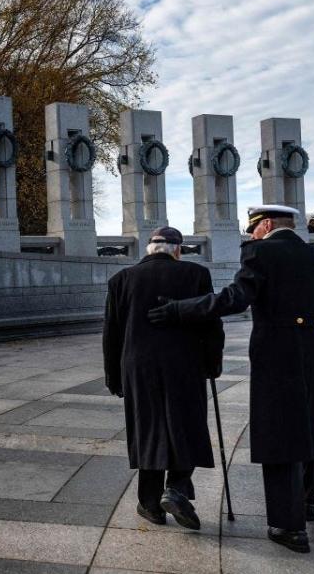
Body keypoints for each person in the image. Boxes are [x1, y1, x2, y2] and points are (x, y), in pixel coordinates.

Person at [148, 205, 314, 554]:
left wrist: (182, 309)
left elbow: (235, 298)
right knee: (312, 428)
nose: (250, 234)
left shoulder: (261, 251)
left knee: (283, 434)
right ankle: (308, 500)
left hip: (278, 358)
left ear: (266, 225)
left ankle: (289, 526)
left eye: (252, 228)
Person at [103, 226, 224, 531]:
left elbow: (111, 334)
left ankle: (150, 504)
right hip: (185, 364)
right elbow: (211, 325)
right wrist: (213, 364)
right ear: (178, 250)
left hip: (138, 367)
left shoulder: (121, 280)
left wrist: (113, 377)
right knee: (186, 425)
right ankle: (178, 488)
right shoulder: (195, 275)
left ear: (148, 248)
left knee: (148, 429)